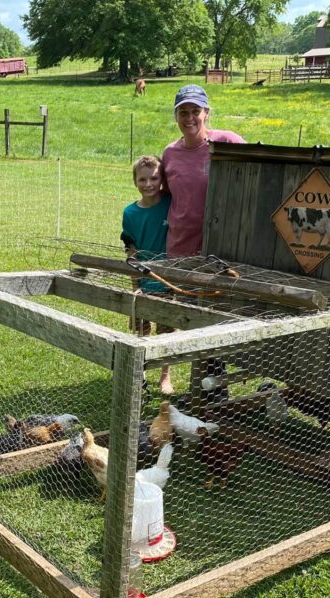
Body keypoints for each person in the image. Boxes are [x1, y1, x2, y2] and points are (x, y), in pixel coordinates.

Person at [162, 84, 245, 258]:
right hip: (179, 245)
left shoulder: (227, 142)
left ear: (206, 113)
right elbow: (167, 196)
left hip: (220, 245)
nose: (189, 117)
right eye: (183, 112)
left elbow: (254, 177)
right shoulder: (170, 153)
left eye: (196, 111)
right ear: (175, 116)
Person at [121, 154, 174, 394]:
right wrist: (135, 283)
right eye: (143, 180)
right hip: (143, 279)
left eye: (154, 178)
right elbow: (130, 250)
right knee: (141, 327)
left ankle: (165, 376)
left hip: (167, 281)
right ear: (135, 181)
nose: (149, 184)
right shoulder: (130, 213)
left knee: (167, 329)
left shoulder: (170, 204)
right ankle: (139, 371)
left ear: (162, 179)